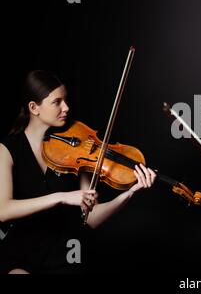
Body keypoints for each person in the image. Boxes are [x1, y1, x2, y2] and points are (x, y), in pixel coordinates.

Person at [0, 70, 156, 274]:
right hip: (21, 255)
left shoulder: (78, 148)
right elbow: (3, 211)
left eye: (66, 100)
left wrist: (128, 194)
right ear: (34, 108)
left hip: (65, 254)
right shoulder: (7, 149)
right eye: (57, 102)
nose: (66, 107)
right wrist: (61, 197)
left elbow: (90, 217)